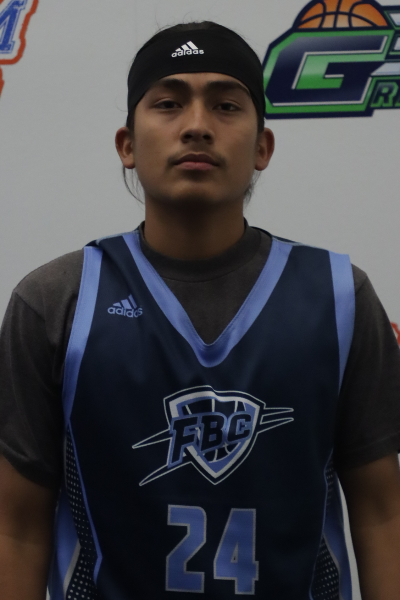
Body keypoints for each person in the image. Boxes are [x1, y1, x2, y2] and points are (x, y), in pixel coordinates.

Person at [1, 20, 400, 600]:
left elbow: (382, 513)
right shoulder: (56, 301)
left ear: (262, 147)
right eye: (168, 103)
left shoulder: (339, 298)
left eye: (225, 105)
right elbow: (15, 527)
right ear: (127, 145)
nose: (196, 125)